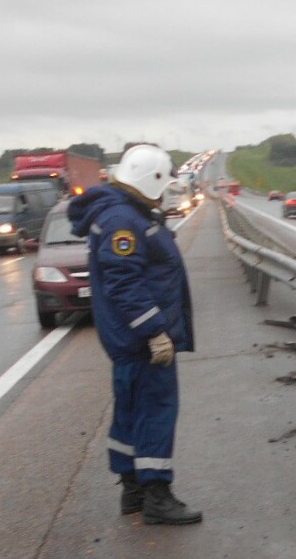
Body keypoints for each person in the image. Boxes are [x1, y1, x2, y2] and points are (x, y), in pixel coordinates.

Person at [68, 144, 202, 525]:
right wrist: (155, 332)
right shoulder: (122, 221)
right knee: (155, 411)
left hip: (128, 339)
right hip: (141, 341)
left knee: (130, 412)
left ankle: (133, 489)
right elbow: (124, 283)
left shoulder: (122, 213)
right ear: (151, 180)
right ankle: (157, 494)